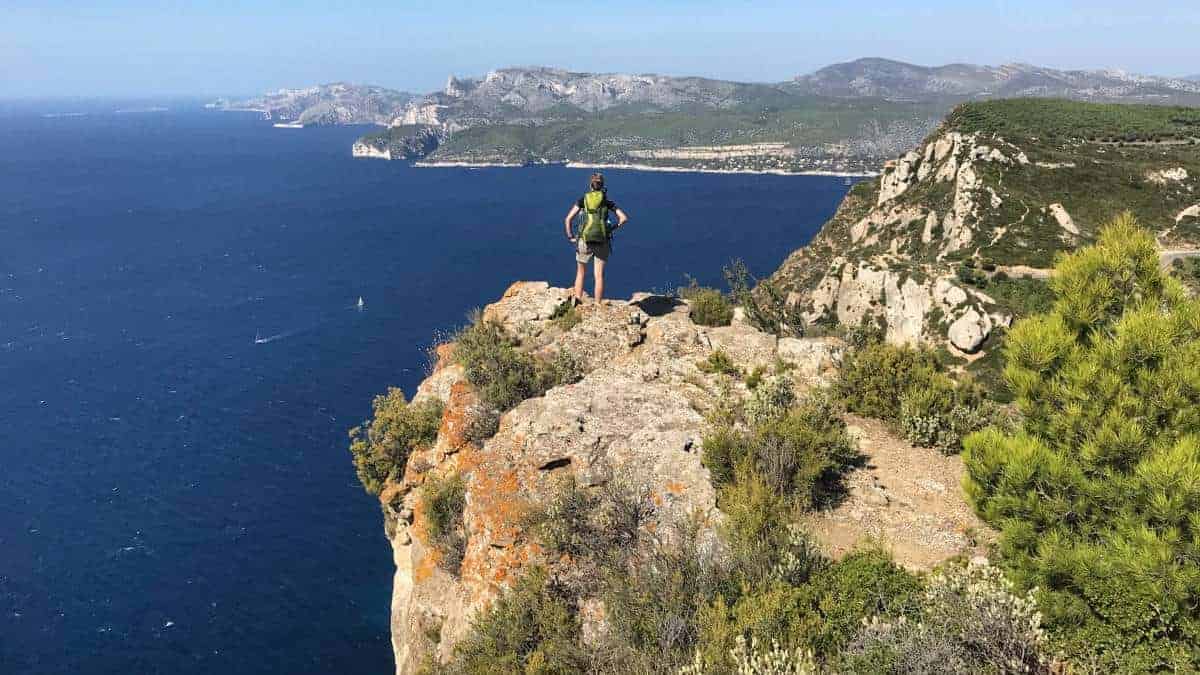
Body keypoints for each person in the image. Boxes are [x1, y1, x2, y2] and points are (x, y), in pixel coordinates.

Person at [563, 173, 629, 304]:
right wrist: (612, 228)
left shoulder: (583, 200)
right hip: (602, 241)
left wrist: (571, 236)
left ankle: (576, 301)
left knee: (580, 272)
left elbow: (568, 219)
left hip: (584, 239)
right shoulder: (607, 201)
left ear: (590, 185)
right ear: (603, 186)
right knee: (598, 276)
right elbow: (624, 218)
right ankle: (597, 305)